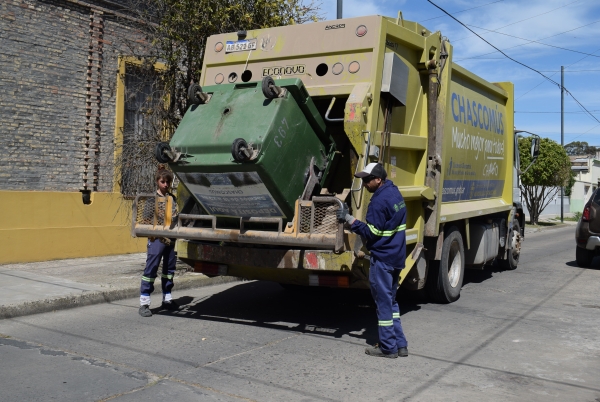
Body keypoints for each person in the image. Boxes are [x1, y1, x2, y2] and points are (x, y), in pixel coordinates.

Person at [337, 162, 408, 358]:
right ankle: (400, 345)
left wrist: (350, 220)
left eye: (368, 180)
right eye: (363, 180)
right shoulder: (394, 193)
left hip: (383, 259)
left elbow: (372, 233)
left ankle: (388, 347)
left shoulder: (378, 202)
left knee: (384, 304)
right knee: (392, 302)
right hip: (396, 256)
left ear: (378, 179)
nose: (365, 184)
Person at [139, 167, 179, 317]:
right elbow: (146, 220)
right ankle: (144, 302)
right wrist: (157, 232)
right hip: (157, 240)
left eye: (168, 182)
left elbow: (174, 217)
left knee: (169, 270)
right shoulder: (152, 200)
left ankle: (167, 299)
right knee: (151, 270)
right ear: (157, 182)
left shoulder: (172, 199)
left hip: (170, 239)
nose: (165, 185)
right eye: (163, 182)